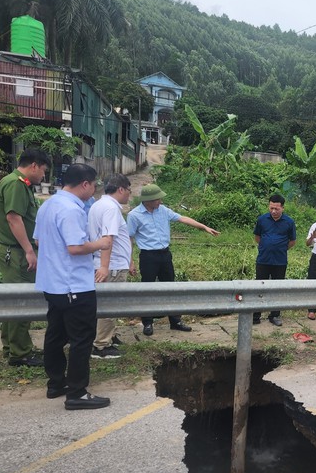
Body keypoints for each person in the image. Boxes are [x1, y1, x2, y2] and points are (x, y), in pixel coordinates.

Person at [34, 163, 112, 410]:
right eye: (94, 185)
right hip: (74, 286)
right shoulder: (72, 210)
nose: (95, 190)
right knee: (81, 339)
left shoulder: (48, 205)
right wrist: (100, 243)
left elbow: (38, 239)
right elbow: (75, 247)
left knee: (55, 335)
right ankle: (77, 392)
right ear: (85, 184)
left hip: (52, 283)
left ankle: (56, 383)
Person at [127, 183, 220, 336]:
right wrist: (130, 260)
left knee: (171, 288)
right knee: (147, 290)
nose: (161, 202)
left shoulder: (163, 210)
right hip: (148, 257)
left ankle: (175, 321)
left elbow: (182, 218)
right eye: (158, 199)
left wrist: (203, 227)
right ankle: (148, 322)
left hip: (165, 255)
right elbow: (129, 238)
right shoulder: (134, 215)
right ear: (148, 200)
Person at [0, 148, 51, 367]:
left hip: (12, 251)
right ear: (34, 165)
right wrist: (28, 250)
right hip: (15, 252)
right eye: (43, 171)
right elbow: (13, 218)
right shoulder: (16, 183)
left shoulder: (15, 182)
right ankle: (20, 353)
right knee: (21, 301)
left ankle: (12, 347)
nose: (43, 176)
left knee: (12, 300)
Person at [88, 174, 134, 359]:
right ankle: (101, 346)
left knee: (106, 304)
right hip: (111, 265)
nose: (129, 195)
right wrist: (105, 267)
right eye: (129, 190)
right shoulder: (110, 209)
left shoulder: (98, 204)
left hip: (108, 263)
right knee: (109, 304)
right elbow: (108, 238)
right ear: (121, 189)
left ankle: (108, 336)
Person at [253, 194, 296, 326]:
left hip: (280, 261)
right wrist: (267, 247)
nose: (273, 211)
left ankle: (275, 315)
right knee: (259, 288)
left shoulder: (289, 222)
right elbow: (257, 237)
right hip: (263, 260)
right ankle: (256, 315)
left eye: (276, 209)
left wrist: (280, 249)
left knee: (277, 288)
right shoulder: (262, 219)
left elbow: (292, 241)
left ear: (282, 208)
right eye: (271, 208)